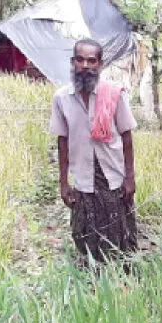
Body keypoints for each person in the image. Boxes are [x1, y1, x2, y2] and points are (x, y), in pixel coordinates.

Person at [50, 38, 138, 262]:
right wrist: (63, 183)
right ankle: (92, 276)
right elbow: (62, 140)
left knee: (120, 233)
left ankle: (124, 275)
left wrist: (130, 178)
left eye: (91, 60)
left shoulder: (114, 94)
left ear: (100, 64)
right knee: (84, 232)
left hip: (112, 175)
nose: (86, 65)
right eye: (80, 60)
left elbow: (127, 137)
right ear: (73, 62)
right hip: (82, 177)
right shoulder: (61, 98)